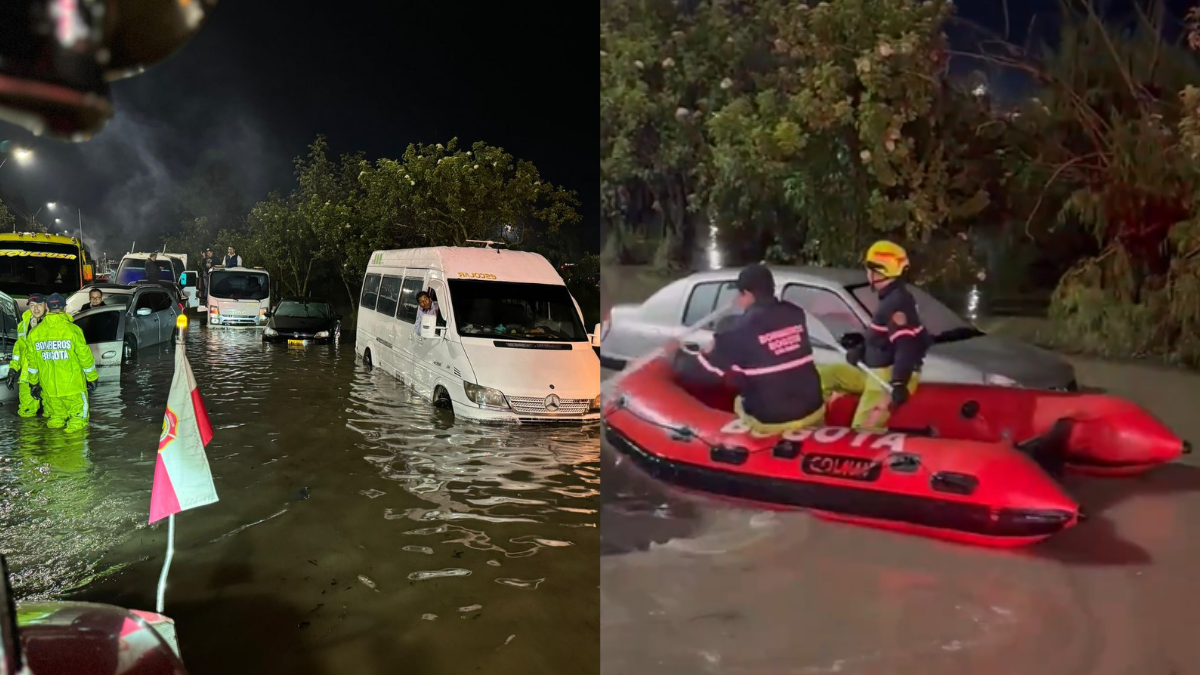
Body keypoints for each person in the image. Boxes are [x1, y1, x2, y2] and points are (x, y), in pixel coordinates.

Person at [672, 264, 825, 434]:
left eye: (739, 294)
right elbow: (767, 346)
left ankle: (752, 441)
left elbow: (703, 373)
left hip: (774, 419)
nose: (737, 299)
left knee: (738, 401)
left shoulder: (735, 330)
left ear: (748, 294)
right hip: (814, 408)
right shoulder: (795, 313)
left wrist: (675, 354)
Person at [818, 240, 931, 430]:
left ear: (878, 272)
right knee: (824, 376)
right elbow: (882, 338)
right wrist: (861, 350)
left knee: (863, 430)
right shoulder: (891, 298)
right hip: (873, 370)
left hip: (886, 377)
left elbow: (906, 345)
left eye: (869, 269)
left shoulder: (897, 303)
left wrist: (898, 383)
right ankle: (812, 427)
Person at [25, 293, 99, 432]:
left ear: (47, 307)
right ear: (65, 308)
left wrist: (33, 383)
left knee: (55, 422)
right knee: (78, 424)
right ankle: (74, 453)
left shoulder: (34, 333)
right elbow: (85, 358)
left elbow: (32, 364)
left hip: (50, 390)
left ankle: (56, 451)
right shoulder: (73, 331)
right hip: (74, 389)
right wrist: (92, 378)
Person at [5, 293, 47, 417]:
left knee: (53, 414)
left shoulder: (52, 324)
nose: (36, 309)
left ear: (46, 306)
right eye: (32, 305)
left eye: (39, 305)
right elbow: (19, 348)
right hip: (27, 376)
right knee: (26, 415)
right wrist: (13, 369)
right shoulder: (23, 324)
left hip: (48, 375)